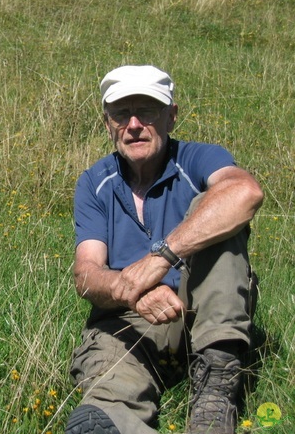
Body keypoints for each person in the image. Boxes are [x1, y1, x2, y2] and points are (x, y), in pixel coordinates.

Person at [65, 65, 264, 434]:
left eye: (148, 111)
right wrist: (130, 290)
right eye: (121, 114)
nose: (134, 124)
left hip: (204, 311)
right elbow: (87, 274)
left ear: (172, 116)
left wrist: (162, 258)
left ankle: (215, 392)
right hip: (130, 321)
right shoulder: (95, 182)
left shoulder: (198, 159)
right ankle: (118, 416)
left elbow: (245, 192)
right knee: (103, 406)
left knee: (214, 206)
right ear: (108, 123)